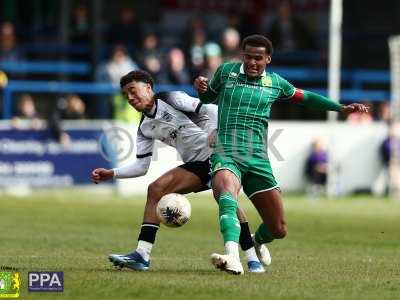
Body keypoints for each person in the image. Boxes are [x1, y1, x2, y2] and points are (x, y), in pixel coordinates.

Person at [194, 34, 369, 275]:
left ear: (268, 59)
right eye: (248, 57)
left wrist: (340, 108)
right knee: (226, 194)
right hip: (227, 151)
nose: (252, 62)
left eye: (258, 58)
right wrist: (202, 89)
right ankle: (232, 256)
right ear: (242, 55)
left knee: (278, 228)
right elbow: (208, 97)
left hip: (257, 159)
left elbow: (306, 97)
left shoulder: (276, 83)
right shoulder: (226, 72)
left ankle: (256, 242)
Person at [90, 70, 268, 273]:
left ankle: (252, 257)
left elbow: (210, 109)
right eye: (126, 95)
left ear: (148, 88)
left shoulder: (170, 98)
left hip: (219, 154)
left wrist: (213, 131)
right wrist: (111, 173)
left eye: (133, 90)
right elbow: (141, 166)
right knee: (157, 189)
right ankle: (142, 254)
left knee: (225, 199)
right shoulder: (145, 127)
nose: (130, 98)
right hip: (198, 165)